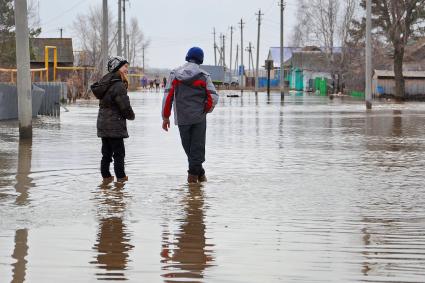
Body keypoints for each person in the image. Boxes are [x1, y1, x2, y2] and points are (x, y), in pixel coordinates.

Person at [161, 47, 219, 184]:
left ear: (187, 57)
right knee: (196, 151)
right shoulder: (204, 76)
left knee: (190, 151)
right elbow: (213, 97)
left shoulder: (174, 74)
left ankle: (194, 189)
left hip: (182, 118)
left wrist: (165, 117)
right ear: (201, 59)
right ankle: (194, 185)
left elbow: (168, 96)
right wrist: (205, 110)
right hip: (199, 118)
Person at [91, 56, 135, 184]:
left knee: (106, 153)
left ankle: (106, 178)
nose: (127, 69)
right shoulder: (118, 85)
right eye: (125, 66)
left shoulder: (104, 82)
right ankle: (121, 179)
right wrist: (131, 116)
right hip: (115, 125)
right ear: (117, 68)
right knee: (119, 154)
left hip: (103, 124)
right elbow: (124, 106)